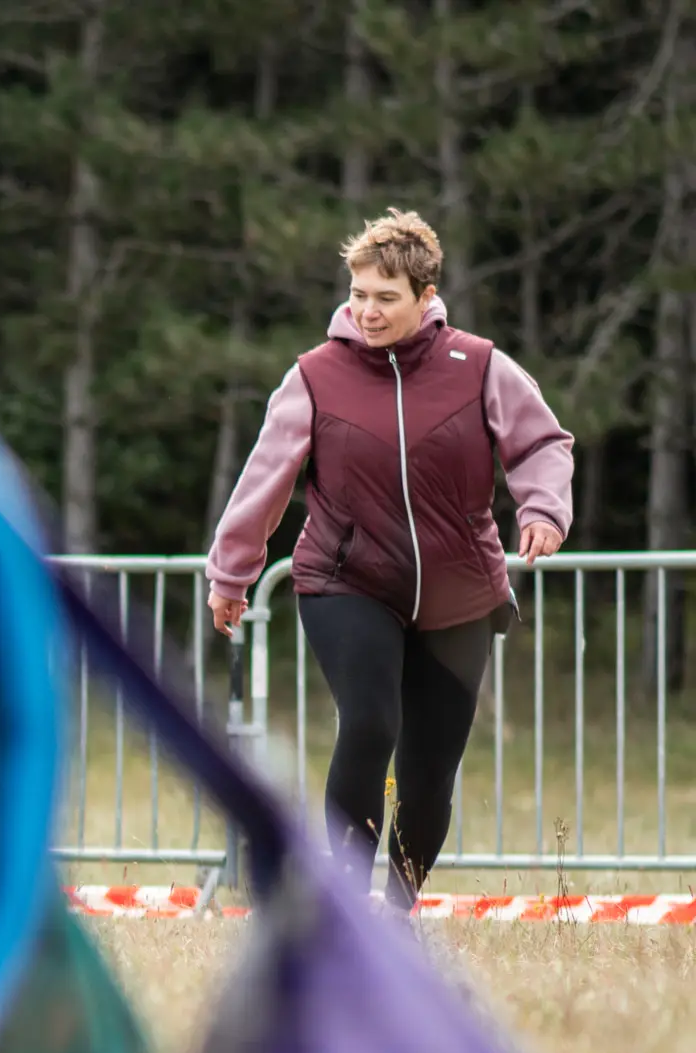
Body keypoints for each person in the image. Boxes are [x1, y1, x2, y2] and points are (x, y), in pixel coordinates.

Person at [205, 208, 574, 909]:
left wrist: (544, 510)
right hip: (348, 579)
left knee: (430, 769)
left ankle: (399, 914)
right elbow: (265, 478)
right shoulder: (316, 376)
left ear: (426, 297)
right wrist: (232, 572)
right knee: (370, 722)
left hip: (461, 591)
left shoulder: (480, 365)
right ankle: (346, 911)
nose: (367, 312)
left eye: (386, 298)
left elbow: (542, 444)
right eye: (358, 295)